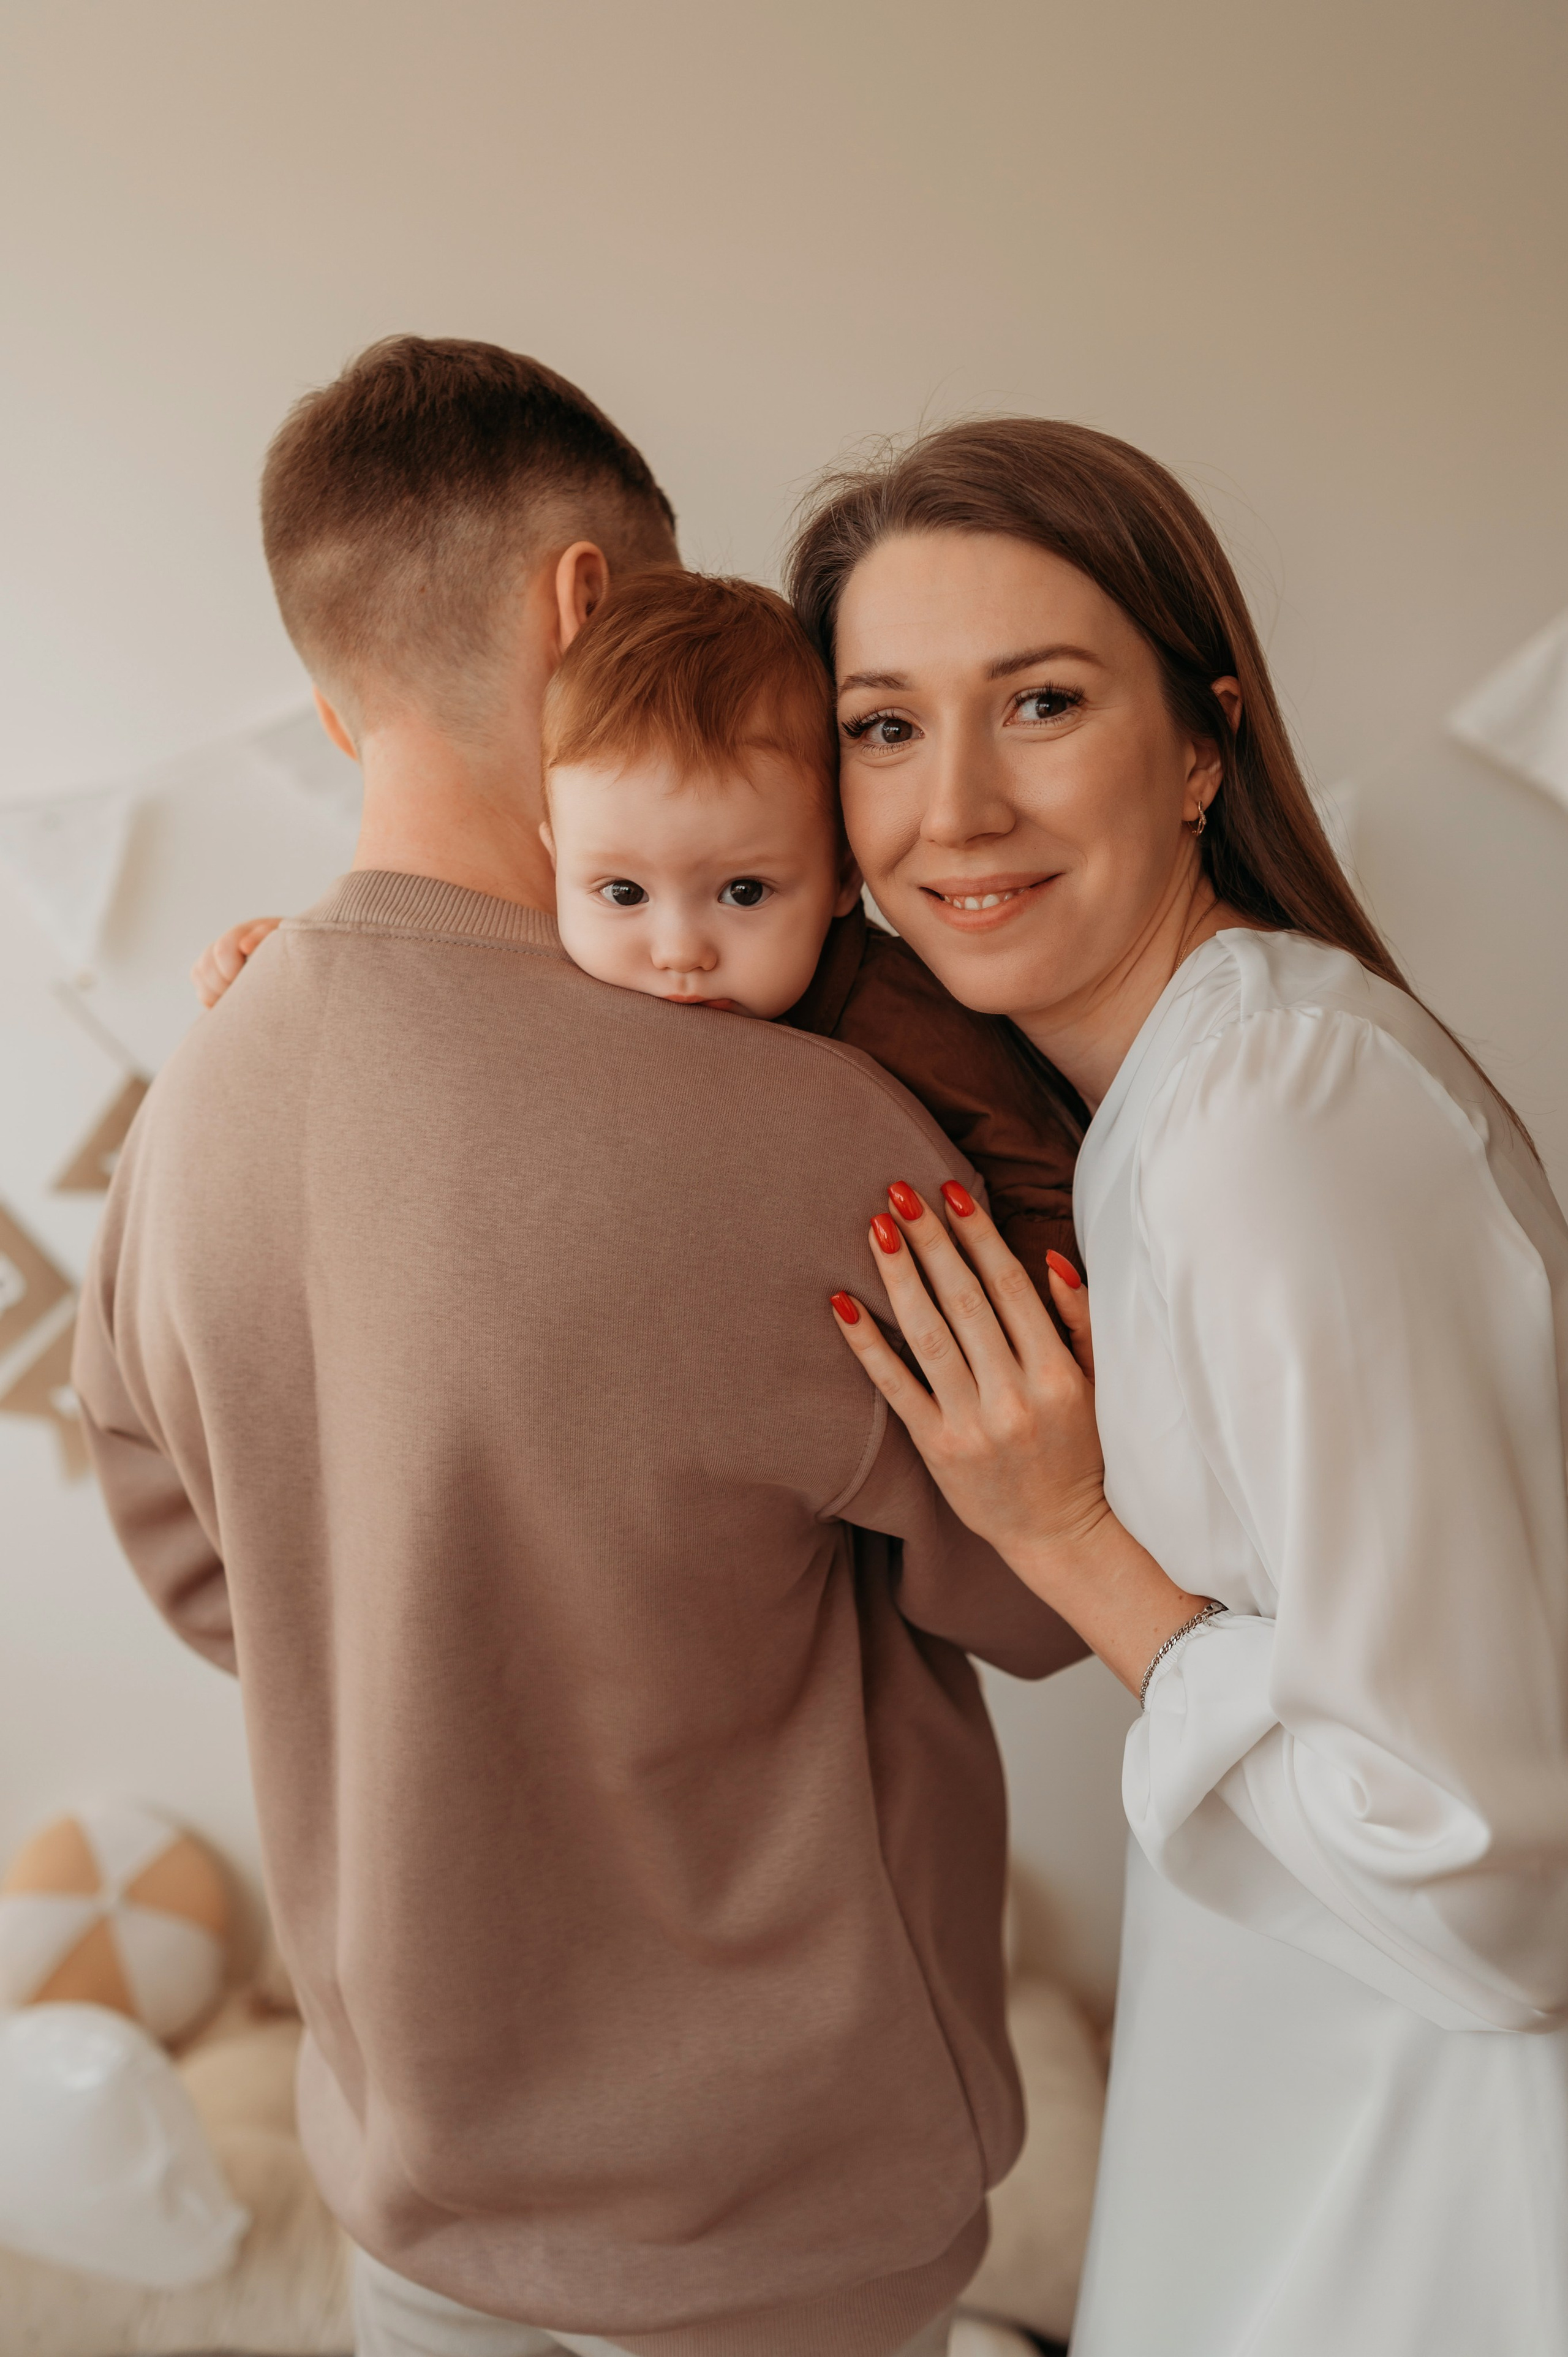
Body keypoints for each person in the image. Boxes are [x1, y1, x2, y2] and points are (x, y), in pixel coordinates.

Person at [73, 341, 1086, 2357]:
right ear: (585, 606)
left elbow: (215, 1578)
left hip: (414, 2180)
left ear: (334, 677)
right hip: (768, 2216)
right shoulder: (813, 1140)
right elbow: (1051, 1590)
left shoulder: (189, 1107)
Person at [786, 418, 1568, 2355]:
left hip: (1430, 2182)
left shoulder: (1277, 1110)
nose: (953, 805)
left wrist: (1069, 1539)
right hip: (1296, 2099)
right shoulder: (1154, 1096)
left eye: (1038, 702)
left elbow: (1485, 1876)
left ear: (1202, 741)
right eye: (883, 728)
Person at [195, 567, 1085, 1292]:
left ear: (844, 872)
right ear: (558, 864)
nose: (678, 951)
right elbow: (452, 984)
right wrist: (310, 963)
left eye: (743, 892)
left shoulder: (902, 1022)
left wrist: (1027, 1325)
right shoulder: (579, 957)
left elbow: (1046, 1175)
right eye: (623, 892)